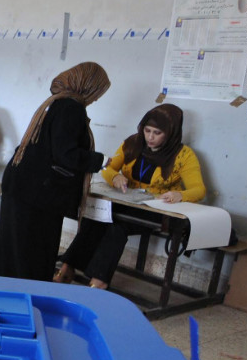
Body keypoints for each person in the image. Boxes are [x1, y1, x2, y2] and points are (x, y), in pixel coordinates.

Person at [55, 104, 204, 288]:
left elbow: (198, 190)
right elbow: (108, 168)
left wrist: (179, 194)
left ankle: (99, 281)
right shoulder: (133, 143)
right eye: (147, 130)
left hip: (155, 209)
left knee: (117, 227)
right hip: (126, 201)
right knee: (95, 218)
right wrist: (115, 176)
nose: (149, 137)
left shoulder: (184, 155)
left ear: (171, 133)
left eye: (157, 133)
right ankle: (67, 269)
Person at [0, 62, 110, 282]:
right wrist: (101, 161)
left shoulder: (57, 103)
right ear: (88, 85)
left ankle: (6, 292)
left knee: (14, 250)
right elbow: (66, 154)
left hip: (24, 185)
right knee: (33, 252)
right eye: (98, 91)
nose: (97, 98)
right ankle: (29, 296)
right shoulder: (71, 108)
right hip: (37, 193)